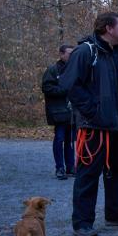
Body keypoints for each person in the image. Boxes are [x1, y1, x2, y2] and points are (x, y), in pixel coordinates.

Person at [59, 13, 118, 236]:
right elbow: (70, 85)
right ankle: (82, 222)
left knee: (117, 170)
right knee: (88, 173)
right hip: (95, 126)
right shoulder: (86, 52)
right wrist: (93, 111)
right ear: (108, 28)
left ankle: (116, 214)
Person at [42, 44, 75, 180]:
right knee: (59, 139)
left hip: (72, 112)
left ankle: (70, 167)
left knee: (70, 140)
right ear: (61, 54)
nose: (71, 56)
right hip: (58, 111)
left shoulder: (75, 69)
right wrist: (64, 90)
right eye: (69, 53)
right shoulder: (52, 70)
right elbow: (46, 88)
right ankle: (59, 168)